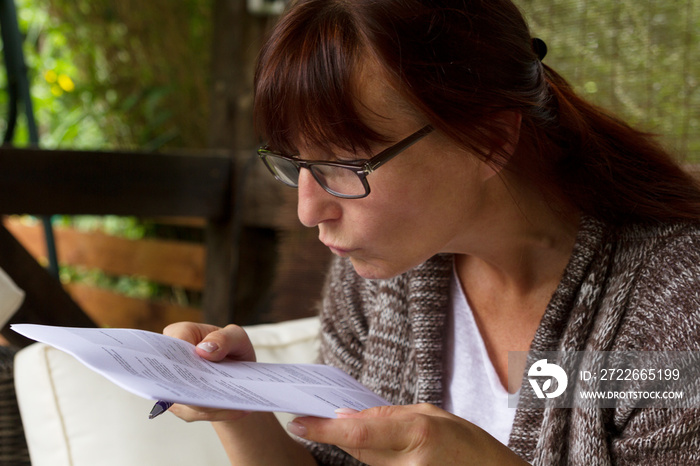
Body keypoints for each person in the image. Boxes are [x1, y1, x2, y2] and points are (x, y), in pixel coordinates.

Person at [164, 0, 700, 464]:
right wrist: (238, 410)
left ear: (488, 139)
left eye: (346, 164)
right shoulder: (378, 277)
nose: (308, 211)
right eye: (295, 162)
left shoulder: (673, 307)